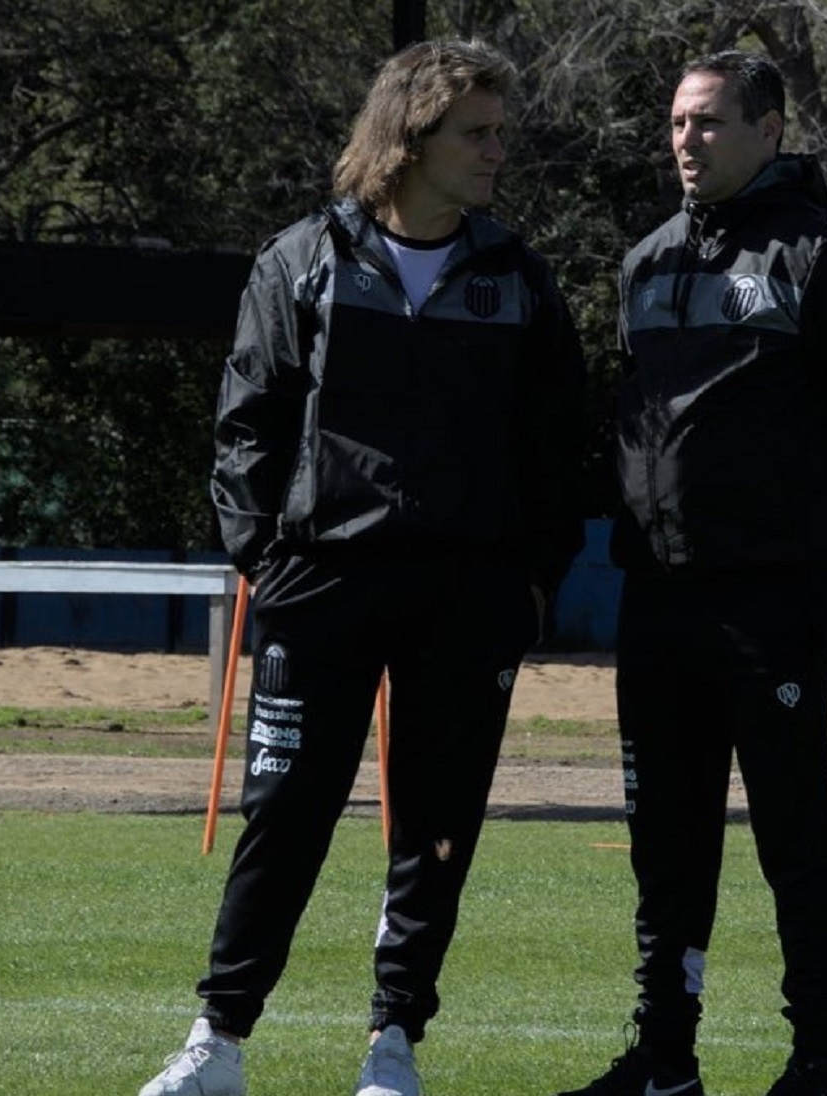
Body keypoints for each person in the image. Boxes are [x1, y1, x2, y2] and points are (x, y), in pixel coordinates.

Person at [139, 38, 585, 1096]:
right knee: (283, 815)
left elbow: (558, 444)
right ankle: (219, 1042)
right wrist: (263, 558)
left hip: (466, 601)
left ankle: (393, 1046)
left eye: (499, 133)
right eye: (476, 133)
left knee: (436, 829)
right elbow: (245, 426)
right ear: (411, 137)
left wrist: (530, 581)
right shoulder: (300, 262)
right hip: (319, 591)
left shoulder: (517, 279)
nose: (495, 153)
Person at [559, 50, 827, 1096]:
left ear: (770, 131)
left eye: (710, 121)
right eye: (677, 121)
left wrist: (792, 506)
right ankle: (663, 1056)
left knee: (790, 827)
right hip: (659, 597)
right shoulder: (645, 264)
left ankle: (816, 1056)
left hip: (770, 594)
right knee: (664, 838)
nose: (687, 139)